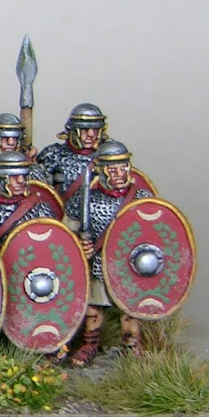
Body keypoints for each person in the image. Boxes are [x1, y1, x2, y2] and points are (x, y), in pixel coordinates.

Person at [63, 141, 155, 366]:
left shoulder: (140, 197)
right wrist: (80, 245)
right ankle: (89, 345)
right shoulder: (85, 199)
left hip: (129, 263)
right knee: (93, 307)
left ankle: (132, 345)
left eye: (123, 167)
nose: (120, 174)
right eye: (113, 169)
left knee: (129, 307)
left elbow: (153, 231)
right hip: (98, 261)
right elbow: (65, 232)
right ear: (101, 171)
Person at [0, 150, 57, 242]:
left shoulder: (39, 207)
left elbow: (53, 241)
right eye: (14, 176)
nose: (21, 181)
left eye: (24, 175)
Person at [36, 103, 111, 201]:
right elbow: (38, 189)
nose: (91, 134)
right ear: (73, 130)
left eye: (95, 130)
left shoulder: (110, 155)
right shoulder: (54, 155)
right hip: (64, 209)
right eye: (85, 129)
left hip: (99, 209)